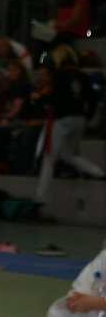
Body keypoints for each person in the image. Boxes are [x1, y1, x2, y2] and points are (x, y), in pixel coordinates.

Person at [35, 46, 104, 205]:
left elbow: (54, 99)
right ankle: (98, 172)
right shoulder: (82, 76)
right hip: (79, 119)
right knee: (70, 154)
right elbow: (93, 98)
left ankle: (41, 197)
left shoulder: (58, 76)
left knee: (49, 158)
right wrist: (88, 117)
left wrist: (40, 98)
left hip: (62, 120)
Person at [45, 248, 106, 317]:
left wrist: (96, 303)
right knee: (56, 314)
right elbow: (92, 281)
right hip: (98, 313)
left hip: (99, 306)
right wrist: (79, 300)